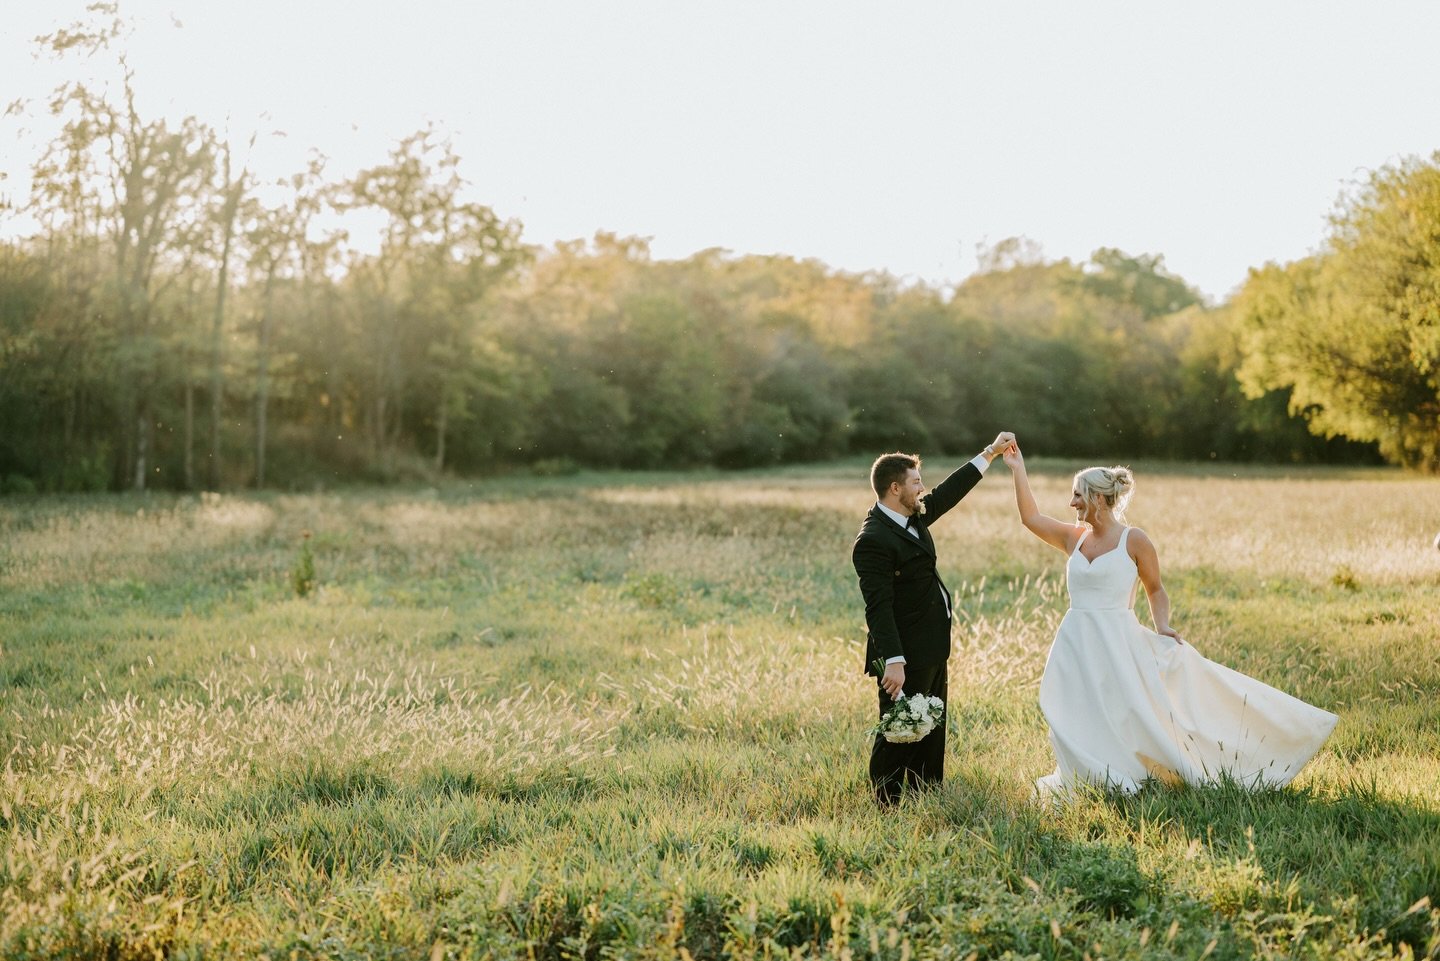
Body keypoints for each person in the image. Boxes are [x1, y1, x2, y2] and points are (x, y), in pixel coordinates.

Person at [1001, 443, 1338, 799]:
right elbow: (1031, 518)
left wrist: (1161, 625)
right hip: (1075, 641)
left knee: (1127, 711)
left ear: (1098, 498)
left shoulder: (1135, 540)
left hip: (1117, 641)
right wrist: (1016, 468)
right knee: (1073, 710)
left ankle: (1125, 773)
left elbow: (1156, 589)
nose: (1072, 504)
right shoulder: (1074, 538)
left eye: (1077, 495)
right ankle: (1085, 775)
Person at [852, 432, 1015, 806]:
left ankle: (927, 793)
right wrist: (893, 660)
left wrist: (989, 453)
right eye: (915, 482)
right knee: (898, 727)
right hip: (903, 651)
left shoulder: (913, 514)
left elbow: (948, 492)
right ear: (895, 488)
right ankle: (886, 803)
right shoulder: (873, 539)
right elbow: (877, 607)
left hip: (931, 644)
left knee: (930, 723)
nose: (922, 488)